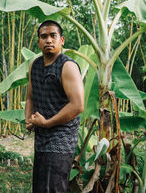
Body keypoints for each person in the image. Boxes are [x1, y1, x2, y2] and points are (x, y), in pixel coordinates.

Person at [25, 20, 84, 193]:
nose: (48, 40)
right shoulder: (34, 65)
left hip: (62, 139)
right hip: (42, 138)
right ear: (38, 42)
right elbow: (30, 97)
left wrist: (47, 123)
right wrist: (29, 119)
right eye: (44, 36)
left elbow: (78, 105)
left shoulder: (68, 66)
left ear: (62, 40)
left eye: (53, 36)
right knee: (41, 187)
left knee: (53, 188)